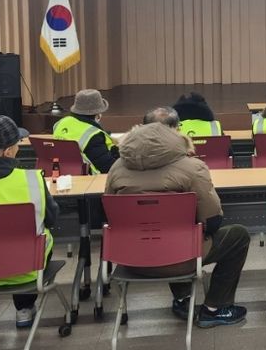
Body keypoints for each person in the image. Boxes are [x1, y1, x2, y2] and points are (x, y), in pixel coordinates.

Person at [105, 116, 250, 328]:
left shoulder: (116, 168)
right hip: (180, 257)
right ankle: (215, 308)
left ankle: (183, 299)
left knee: (171, 232)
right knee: (237, 236)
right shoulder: (193, 167)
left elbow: (110, 214)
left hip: (130, 259)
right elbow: (213, 220)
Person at [0, 115, 59, 328]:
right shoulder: (31, 180)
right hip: (26, 269)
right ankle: (24, 309)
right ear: (8, 151)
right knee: (34, 237)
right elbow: (51, 219)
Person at [53, 88, 119, 174]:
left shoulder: (59, 124)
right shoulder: (93, 135)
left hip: (61, 174)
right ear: (97, 115)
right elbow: (108, 167)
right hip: (90, 179)